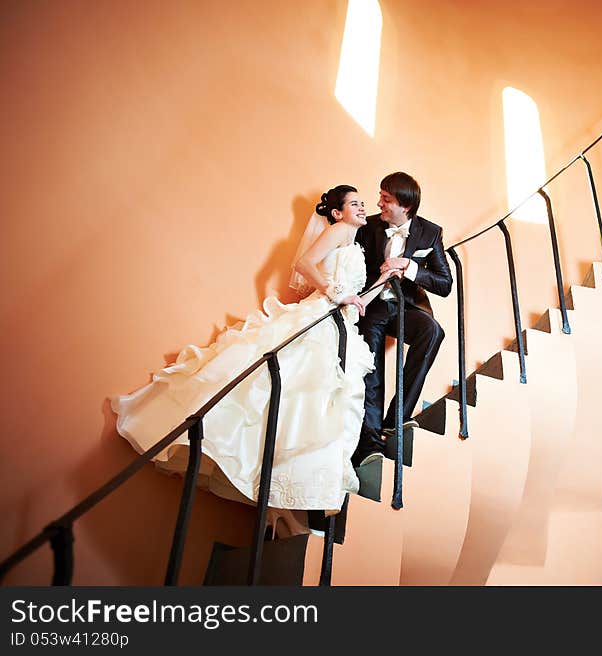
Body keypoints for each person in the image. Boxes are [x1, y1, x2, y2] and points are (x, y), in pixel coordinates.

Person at [112, 185, 402, 519]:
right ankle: (265, 476)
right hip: (320, 316)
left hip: (343, 325)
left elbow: (357, 304)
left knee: (320, 402)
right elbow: (304, 263)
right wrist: (334, 292)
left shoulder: (356, 247)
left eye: (362, 203)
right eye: (354, 204)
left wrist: (383, 279)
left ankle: (289, 490)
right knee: (296, 391)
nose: (363, 208)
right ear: (337, 213)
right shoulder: (338, 231)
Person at [352, 172, 453, 466]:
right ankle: (369, 443)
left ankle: (397, 419)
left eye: (386, 199)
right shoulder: (367, 226)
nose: (379, 203)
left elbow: (444, 284)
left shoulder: (430, 233)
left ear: (405, 206)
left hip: (407, 306)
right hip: (372, 308)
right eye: (380, 196)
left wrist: (409, 266)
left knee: (433, 332)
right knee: (371, 369)